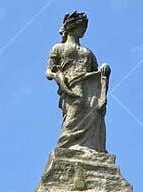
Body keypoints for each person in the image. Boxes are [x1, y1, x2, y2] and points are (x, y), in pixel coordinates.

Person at [46, 11, 109, 155]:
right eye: (81, 26)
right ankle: (67, 144)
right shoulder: (58, 48)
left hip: (89, 87)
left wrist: (104, 69)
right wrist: (58, 78)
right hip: (71, 86)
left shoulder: (88, 52)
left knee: (92, 114)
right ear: (72, 26)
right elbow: (48, 72)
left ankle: (89, 147)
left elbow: (96, 72)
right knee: (75, 110)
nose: (84, 30)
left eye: (85, 27)